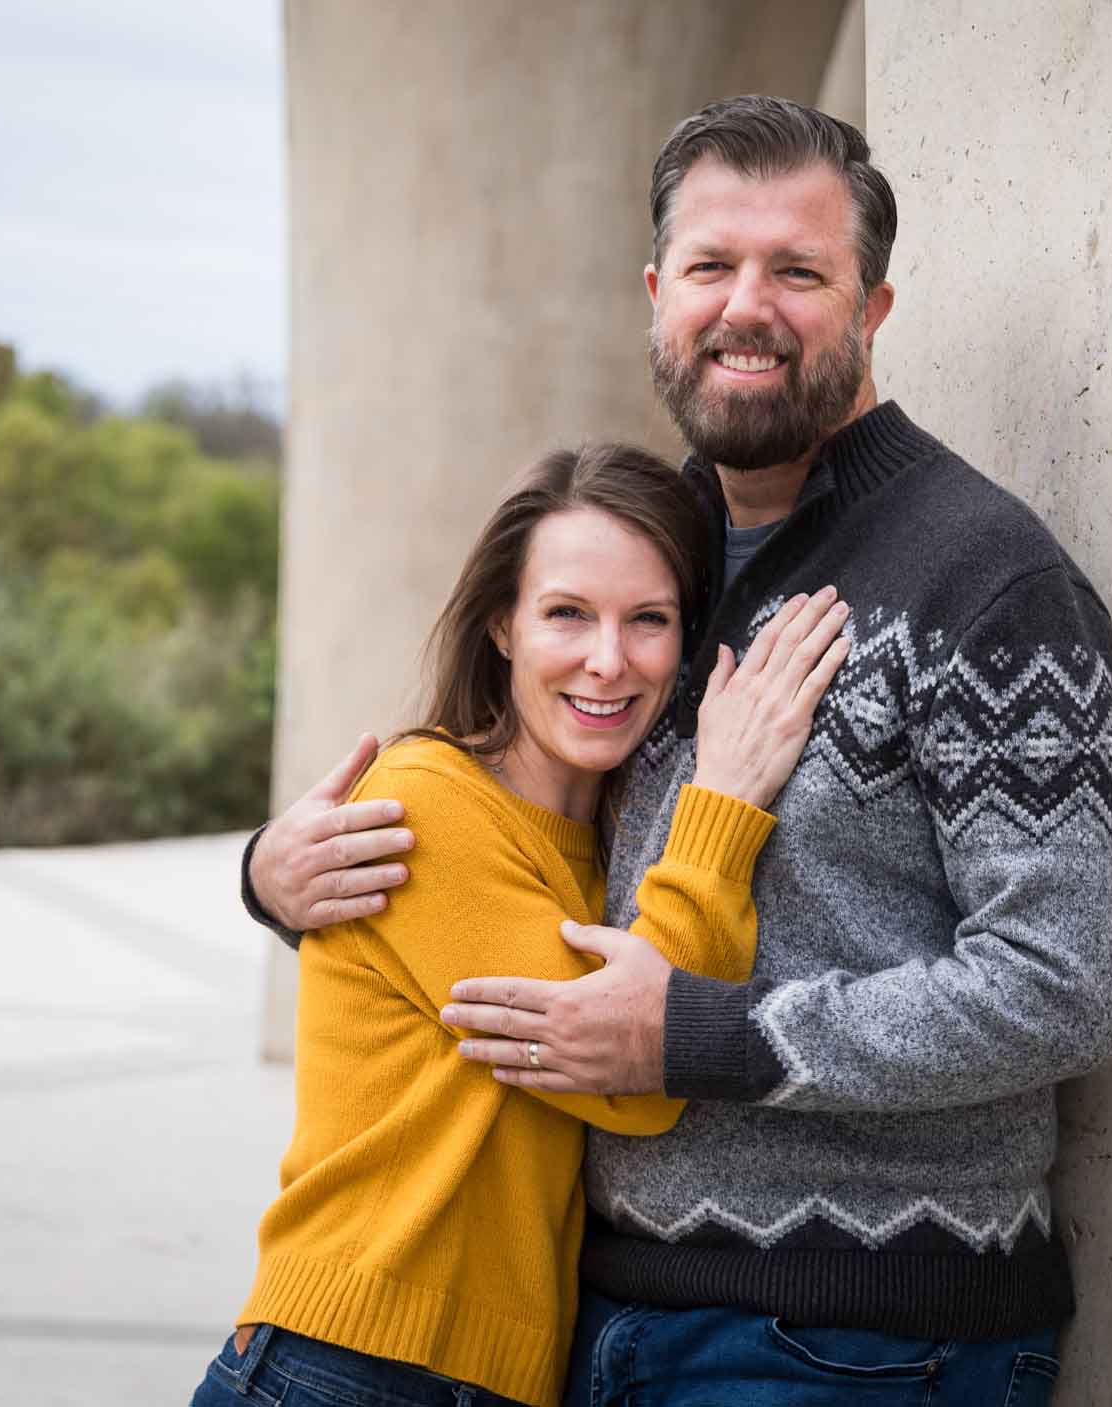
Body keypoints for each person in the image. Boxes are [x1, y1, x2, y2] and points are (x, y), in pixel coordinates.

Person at [246, 96, 1112, 1406]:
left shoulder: (986, 581)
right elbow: (516, 830)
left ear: (875, 307)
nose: (746, 307)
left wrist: (707, 1036)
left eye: (799, 272)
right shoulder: (651, 556)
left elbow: (1059, 986)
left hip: (856, 1344)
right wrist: (277, 878)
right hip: (596, 1325)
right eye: (712, 265)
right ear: (659, 296)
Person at [194, 442, 850, 1407]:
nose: (608, 660)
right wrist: (724, 796)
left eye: (649, 619)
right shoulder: (428, 803)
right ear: (502, 623)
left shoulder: (610, 848)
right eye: (567, 613)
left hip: (479, 1378)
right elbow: (635, 1069)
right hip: (345, 1365)